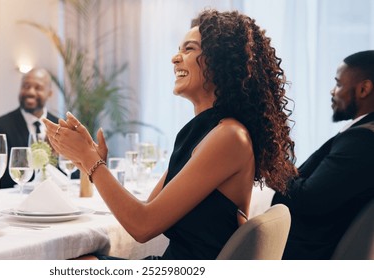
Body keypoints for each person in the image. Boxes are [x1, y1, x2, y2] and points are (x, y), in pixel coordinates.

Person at [44, 9, 297, 260]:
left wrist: (92, 162)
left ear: (219, 61)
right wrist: (90, 161)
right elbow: (146, 211)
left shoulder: (230, 136)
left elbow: (143, 227)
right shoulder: (205, 132)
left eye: (189, 49)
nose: (175, 58)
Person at [272, 50, 374, 260]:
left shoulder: (361, 142)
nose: (332, 91)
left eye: (338, 84)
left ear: (364, 89)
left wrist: (275, 164)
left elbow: (309, 199)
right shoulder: (360, 135)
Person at [0, 68, 59, 191]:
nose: (30, 92)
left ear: (50, 93)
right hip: (14, 200)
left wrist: (55, 156)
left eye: (38, 88)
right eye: (26, 86)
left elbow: (73, 175)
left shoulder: (59, 126)